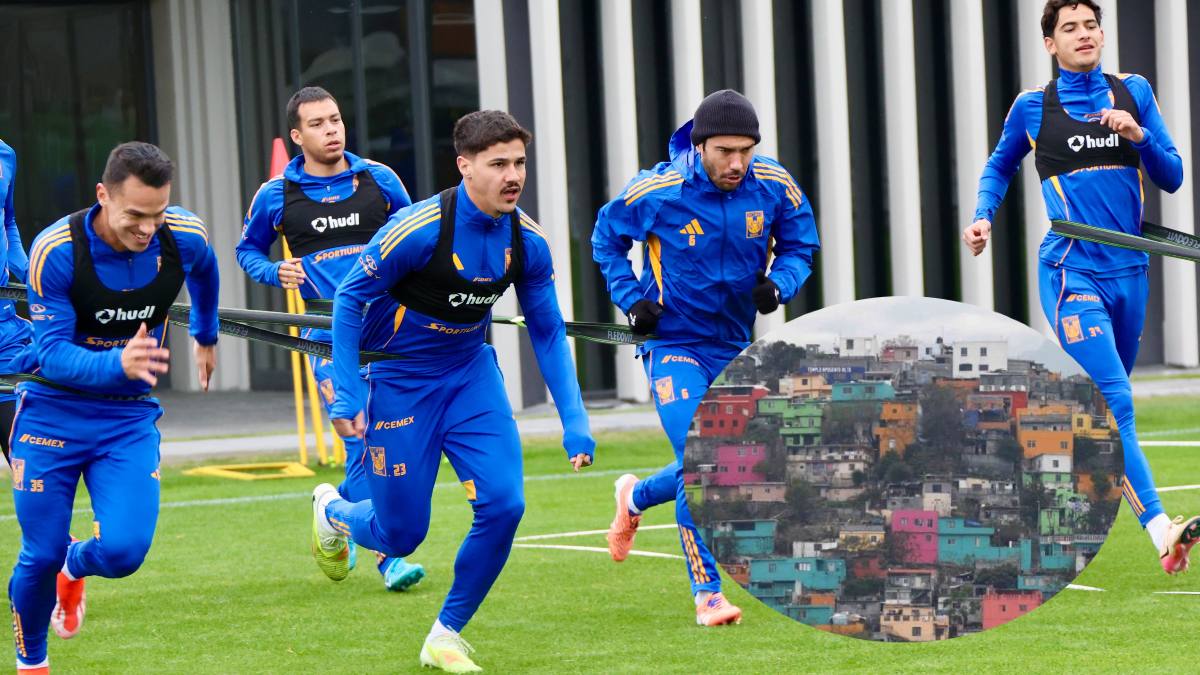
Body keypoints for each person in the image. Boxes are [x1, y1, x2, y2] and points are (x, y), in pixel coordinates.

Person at [310, 110, 594, 672]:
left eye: (519, 163)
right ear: (465, 166)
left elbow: (546, 330)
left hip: (470, 378)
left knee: (505, 504)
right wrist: (345, 393)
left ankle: (445, 633)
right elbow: (347, 301)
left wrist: (575, 419)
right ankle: (335, 512)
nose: (513, 176)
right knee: (401, 535)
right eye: (498, 164)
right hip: (399, 384)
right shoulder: (417, 231)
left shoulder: (527, 241)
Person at [963, 0, 1199, 573]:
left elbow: (1171, 175)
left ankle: (1030, 488)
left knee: (1097, 424)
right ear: (1051, 43)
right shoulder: (1032, 107)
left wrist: (1138, 136)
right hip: (1071, 271)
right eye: (1069, 28)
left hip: (1131, 273)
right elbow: (999, 166)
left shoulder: (1133, 92)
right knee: (1114, 403)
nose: (1084, 34)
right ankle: (1162, 529)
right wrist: (983, 214)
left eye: (1091, 25)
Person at [592, 90, 820, 625]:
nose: (737, 163)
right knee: (706, 462)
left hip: (736, 347)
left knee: (737, 460)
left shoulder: (773, 183)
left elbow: (801, 245)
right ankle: (708, 594)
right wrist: (633, 300)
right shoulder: (658, 189)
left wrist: (781, 285)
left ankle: (635, 496)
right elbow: (606, 239)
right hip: (673, 346)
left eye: (746, 150)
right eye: (724, 151)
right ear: (699, 147)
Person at [8, 142, 219, 673]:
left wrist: (206, 334)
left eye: (158, 213)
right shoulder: (56, 249)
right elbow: (51, 355)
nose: (147, 228)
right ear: (103, 195)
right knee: (38, 553)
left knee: (124, 552)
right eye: (134, 215)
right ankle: (33, 660)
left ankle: (74, 567)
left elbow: (207, 271)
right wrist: (117, 365)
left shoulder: (183, 235)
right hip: (52, 414)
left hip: (125, 420)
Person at [237, 86, 426, 591]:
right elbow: (246, 251)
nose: (332, 130)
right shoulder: (275, 194)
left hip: (388, 329)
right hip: (324, 334)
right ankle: (388, 556)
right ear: (297, 136)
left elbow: (416, 236)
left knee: (386, 436)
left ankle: (332, 511)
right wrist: (275, 270)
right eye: (318, 123)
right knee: (358, 431)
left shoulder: (380, 180)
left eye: (336, 119)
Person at [0, 138, 31, 458]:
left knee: (28, 463)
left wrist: (31, 274)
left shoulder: (6, 154)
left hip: (6, 333)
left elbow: (7, 220)